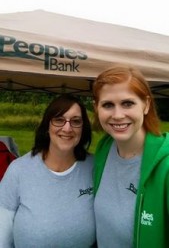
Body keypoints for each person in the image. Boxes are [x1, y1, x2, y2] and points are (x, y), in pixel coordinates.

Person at [0, 94, 96, 248]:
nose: (67, 128)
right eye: (59, 120)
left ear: (83, 128)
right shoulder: (19, 170)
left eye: (76, 121)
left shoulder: (95, 167)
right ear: (47, 126)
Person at [92, 63, 169, 248]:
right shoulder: (104, 148)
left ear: (146, 105)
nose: (118, 115)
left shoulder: (165, 166)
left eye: (128, 103)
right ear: (96, 108)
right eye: (108, 105)